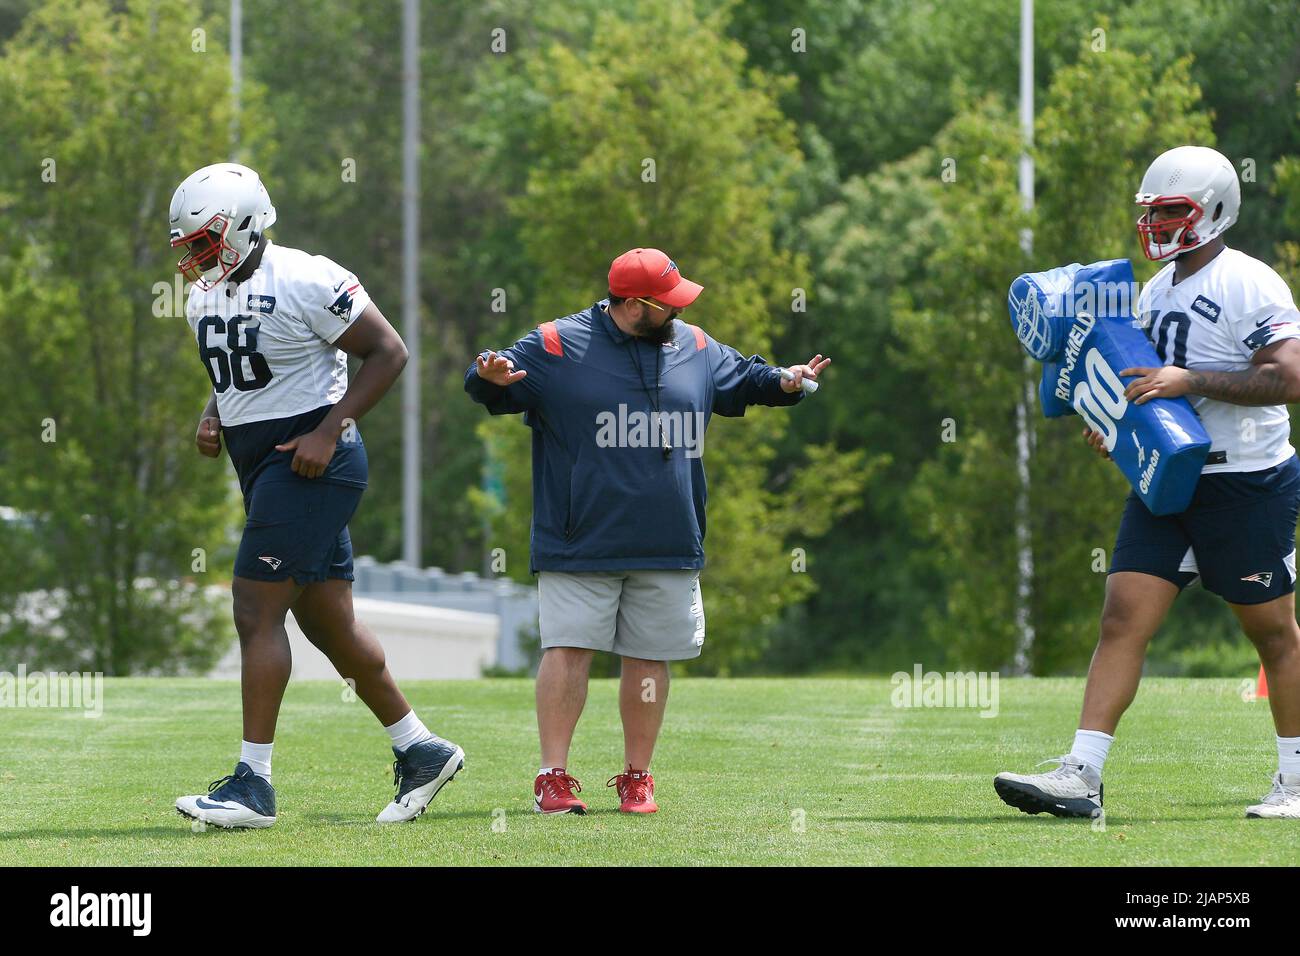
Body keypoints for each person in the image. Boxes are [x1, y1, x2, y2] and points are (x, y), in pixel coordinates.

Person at [466, 247, 829, 814]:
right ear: (635, 305)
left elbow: (749, 379)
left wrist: (788, 381)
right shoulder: (558, 343)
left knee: (649, 657)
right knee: (569, 650)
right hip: (578, 539)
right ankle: (552, 777)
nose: (678, 310)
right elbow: (492, 383)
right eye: (668, 302)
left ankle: (638, 776)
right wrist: (487, 380)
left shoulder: (696, 345)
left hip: (667, 538)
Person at [995, 146, 1300, 819]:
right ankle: (1082, 776)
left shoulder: (1250, 282)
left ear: (1213, 211)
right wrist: (1117, 426)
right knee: (1121, 618)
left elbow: (1290, 377)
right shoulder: (1153, 290)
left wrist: (1191, 381)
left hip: (1246, 481)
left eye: (1172, 210)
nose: (1157, 222)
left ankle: (1296, 780)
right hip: (1168, 483)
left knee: (1273, 634)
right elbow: (1150, 391)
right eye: (1152, 210)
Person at [168, 163, 462, 828]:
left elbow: (388, 351)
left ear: (243, 226)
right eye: (188, 248)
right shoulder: (202, 299)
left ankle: (253, 787)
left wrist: (331, 429)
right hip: (265, 463)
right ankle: (421, 748)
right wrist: (213, 411)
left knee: (254, 608)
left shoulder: (307, 276)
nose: (194, 259)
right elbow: (245, 369)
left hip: (313, 464)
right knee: (327, 621)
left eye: (204, 243)